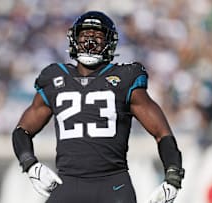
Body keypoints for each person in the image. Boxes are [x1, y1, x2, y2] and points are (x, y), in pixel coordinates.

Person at [12, 11, 185, 203]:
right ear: (74, 39)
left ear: (109, 43)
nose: (90, 41)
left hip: (113, 184)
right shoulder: (54, 78)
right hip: (68, 183)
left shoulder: (124, 78)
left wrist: (173, 176)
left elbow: (162, 132)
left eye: (98, 36)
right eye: (85, 35)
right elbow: (22, 131)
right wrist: (30, 164)